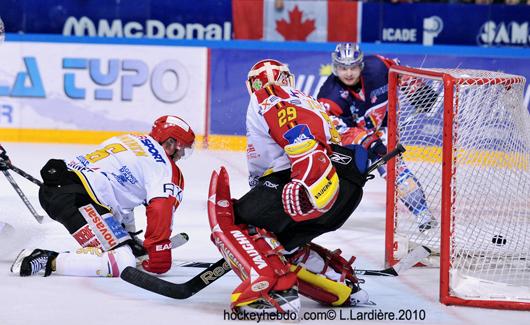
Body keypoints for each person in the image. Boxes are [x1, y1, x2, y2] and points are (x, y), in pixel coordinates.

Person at [207, 59, 372, 316]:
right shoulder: (309, 99)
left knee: (237, 220)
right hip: (345, 190)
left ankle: (274, 290)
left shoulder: (265, 96)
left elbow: (288, 139)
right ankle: (339, 280)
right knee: (277, 238)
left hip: (310, 181)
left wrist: (306, 173)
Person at [10, 115, 195, 278]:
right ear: (170, 144)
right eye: (182, 150)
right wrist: (158, 251)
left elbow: (122, 197)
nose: (181, 156)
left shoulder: (131, 138)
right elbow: (161, 209)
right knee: (122, 261)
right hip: (77, 199)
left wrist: (128, 235)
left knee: (125, 249)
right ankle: (46, 259)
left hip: (59, 187)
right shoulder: (165, 169)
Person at [317, 43, 437, 232]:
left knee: (395, 169)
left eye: (353, 67)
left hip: (382, 128)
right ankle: (317, 214)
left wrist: (415, 89)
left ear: (361, 65)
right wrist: (369, 142)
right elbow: (337, 130)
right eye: (343, 68)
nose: (348, 73)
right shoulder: (329, 95)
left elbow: (398, 71)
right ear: (335, 67)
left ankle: (422, 213)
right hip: (351, 143)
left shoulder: (378, 67)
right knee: (337, 177)